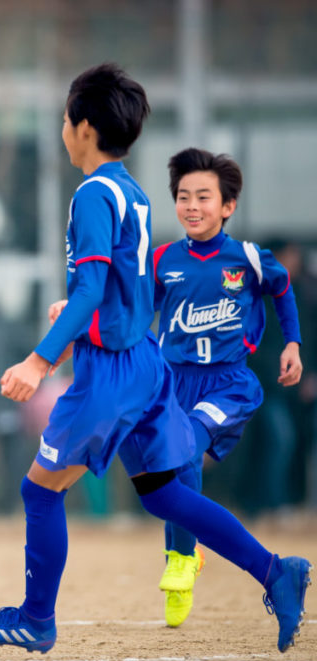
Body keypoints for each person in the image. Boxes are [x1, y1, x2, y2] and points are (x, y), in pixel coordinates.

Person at [0, 63, 310, 654]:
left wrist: (41, 361)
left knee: (40, 491)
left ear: (85, 127)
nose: (63, 129)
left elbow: (97, 290)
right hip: (146, 363)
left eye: (66, 119)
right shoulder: (132, 189)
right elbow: (124, 292)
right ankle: (277, 572)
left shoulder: (92, 194)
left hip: (112, 372)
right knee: (165, 494)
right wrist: (77, 313)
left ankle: (35, 620)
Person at [152, 148, 303, 627]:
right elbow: (133, 315)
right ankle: (185, 556)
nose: (191, 206)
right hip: (174, 384)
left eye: (202, 196)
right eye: (182, 196)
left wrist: (293, 344)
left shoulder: (250, 260)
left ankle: (180, 558)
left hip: (229, 384)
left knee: (184, 452)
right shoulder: (162, 261)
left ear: (227, 206)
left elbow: (282, 290)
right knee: (168, 477)